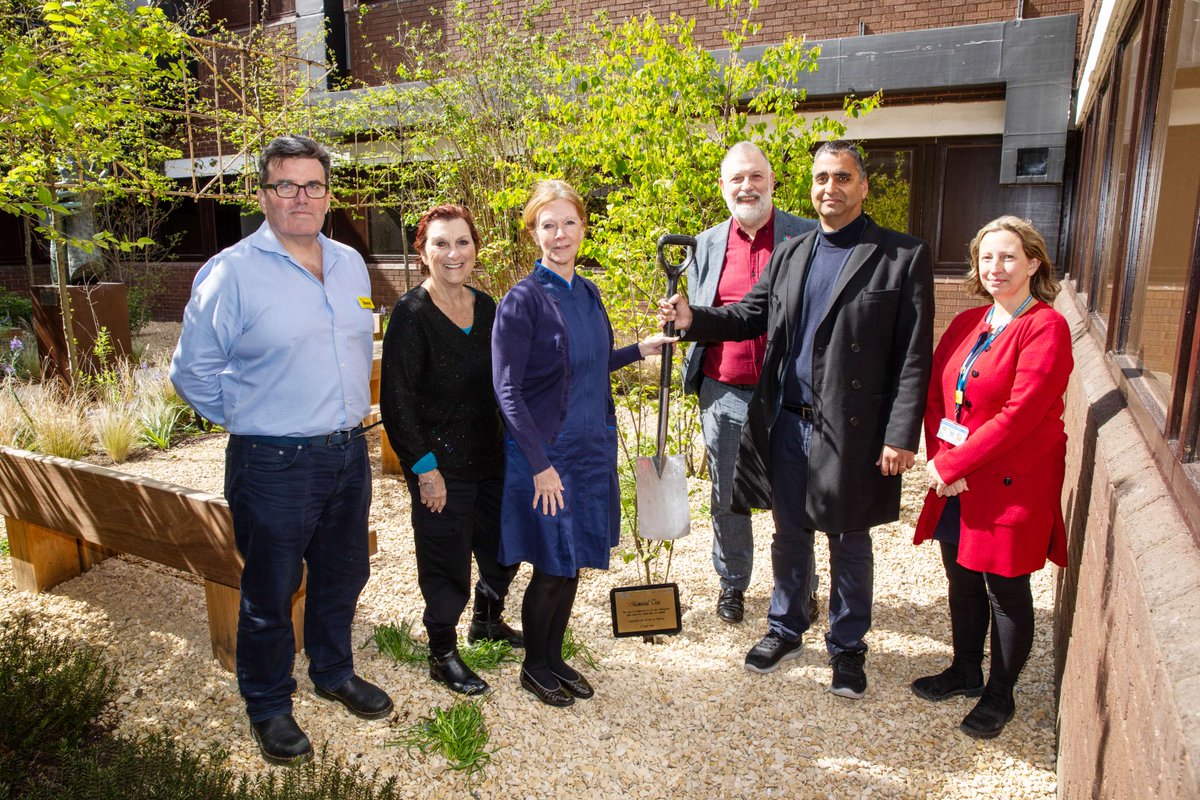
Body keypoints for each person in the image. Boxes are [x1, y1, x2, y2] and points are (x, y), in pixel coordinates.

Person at [659, 140, 934, 697]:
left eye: (841, 178)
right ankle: (786, 625)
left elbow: (913, 354)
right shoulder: (794, 253)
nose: (829, 188)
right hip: (788, 420)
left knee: (848, 538)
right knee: (790, 534)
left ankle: (848, 646)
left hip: (852, 430)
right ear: (809, 187)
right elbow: (747, 315)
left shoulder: (901, 256)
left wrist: (901, 435)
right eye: (820, 179)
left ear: (862, 186)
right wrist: (694, 318)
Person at [170, 135, 392, 766]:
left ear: (328, 193)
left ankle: (333, 671)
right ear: (263, 194)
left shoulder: (349, 262)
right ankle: (268, 705)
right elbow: (193, 373)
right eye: (285, 186)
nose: (301, 197)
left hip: (349, 453)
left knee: (344, 573)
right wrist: (251, 418)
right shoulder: (230, 272)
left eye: (313, 185)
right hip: (273, 462)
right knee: (271, 590)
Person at [492, 179, 675, 708]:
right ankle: (533, 665)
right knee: (551, 566)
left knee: (572, 565)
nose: (560, 233)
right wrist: (540, 465)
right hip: (546, 456)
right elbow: (507, 390)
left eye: (568, 222)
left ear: (582, 227)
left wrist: (639, 349)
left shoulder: (589, 292)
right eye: (548, 224)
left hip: (592, 450)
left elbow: (586, 365)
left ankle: (553, 657)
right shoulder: (521, 301)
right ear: (534, 233)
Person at [911, 216, 1071, 739]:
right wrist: (942, 461)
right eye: (986, 258)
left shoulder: (1045, 327)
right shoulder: (968, 322)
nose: (995, 267)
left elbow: (1022, 414)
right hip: (957, 481)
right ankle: (964, 669)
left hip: (1010, 484)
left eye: (1007, 257)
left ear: (1032, 263)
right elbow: (937, 396)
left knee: (1005, 588)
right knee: (960, 575)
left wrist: (953, 466)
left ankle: (1000, 694)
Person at [379, 203, 522, 698]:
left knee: (506, 548)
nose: (453, 253)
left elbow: (513, 380)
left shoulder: (489, 309)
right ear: (422, 254)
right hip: (441, 468)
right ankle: (442, 652)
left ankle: (487, 618)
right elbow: (397, 400)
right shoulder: (411, 315)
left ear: (475, 250)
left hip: (494, 460)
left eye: (462, 242)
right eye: (440, 243)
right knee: (446, 566)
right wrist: (425, 471)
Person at [684, 141, 817, 625]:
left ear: (772, 182)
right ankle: (733, 583)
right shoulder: (703, 245)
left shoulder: (807, 237)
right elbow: (703, 314)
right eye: (737, 178)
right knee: (726, 497)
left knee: (795, 497)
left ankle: (800, 587)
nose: (747, 186)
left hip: (789, 396)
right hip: (724, 392)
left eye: (756, 176)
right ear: (722, 187)